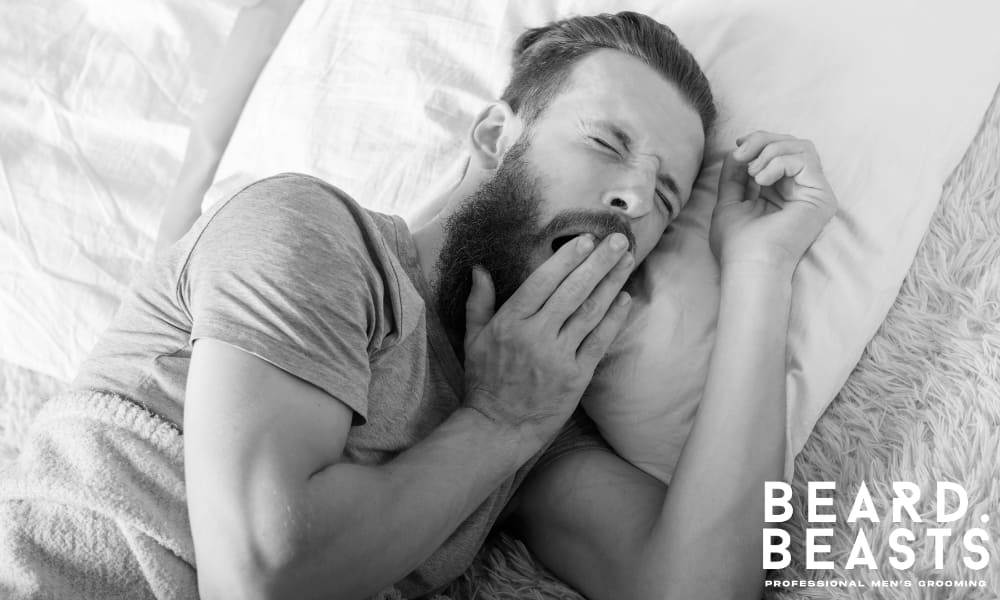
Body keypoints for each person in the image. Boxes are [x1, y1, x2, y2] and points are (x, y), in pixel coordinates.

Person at [0, 11, 837, 600]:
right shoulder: (308, 231)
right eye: (607, 144)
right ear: (493, 138)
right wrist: (497, 425)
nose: (632, 202)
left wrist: (762, 268)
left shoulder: (534, 407)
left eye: (664, 193)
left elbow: (697, 583)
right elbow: (259, 579)